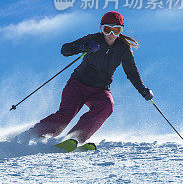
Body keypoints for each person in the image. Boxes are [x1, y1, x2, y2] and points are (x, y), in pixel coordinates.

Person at [29, 11, 153, 151]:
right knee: (65, 116)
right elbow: (65, 50)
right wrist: (82, 47)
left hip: (100, 89)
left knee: (107, 105)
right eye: (107, 29)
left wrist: (142, 89)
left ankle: (74, 139)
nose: (111, 34)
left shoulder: (123, 49)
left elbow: (131, 72)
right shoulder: (93, 39)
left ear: (120, 30)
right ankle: (32, 134)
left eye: (116, 30)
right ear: (101, 28)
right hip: (78, 85)